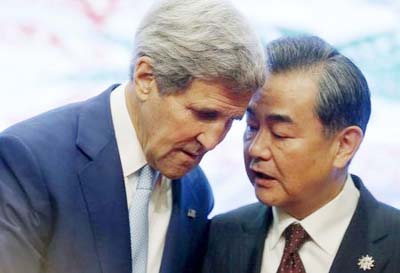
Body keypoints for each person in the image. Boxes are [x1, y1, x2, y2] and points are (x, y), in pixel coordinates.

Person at [0, 0, 266, 272]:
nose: (212, 141)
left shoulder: (196, 192)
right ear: (146, 78)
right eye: (204, 114)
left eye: (231, 122)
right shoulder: (29, 161)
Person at [202, 35, 400, 273]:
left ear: (344, 145)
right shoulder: (220, 236)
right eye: (252, 126)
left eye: (281, 133)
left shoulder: (394, 243)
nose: (256, 148)